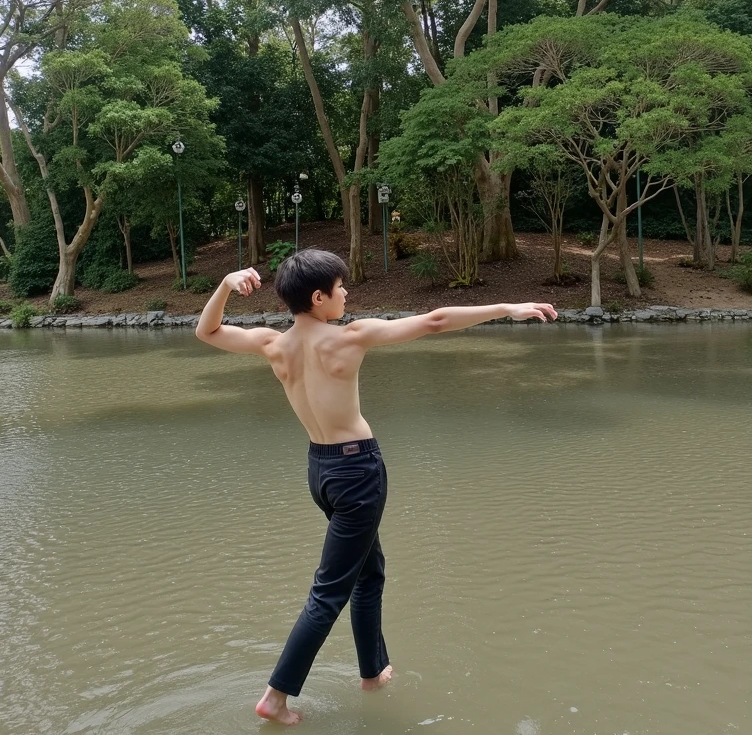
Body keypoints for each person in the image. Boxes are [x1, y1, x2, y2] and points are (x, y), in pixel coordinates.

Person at [196, 249, 557, 726]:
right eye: (341, 287)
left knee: (370, 572)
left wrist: (225, 285)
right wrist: (506, 308)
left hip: (320, 472)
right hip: (358, 472)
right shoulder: (351, 336)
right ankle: (276, 696)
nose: (347, 294)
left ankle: (372, 672)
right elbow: (434, 321)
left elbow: (208, 332)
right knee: (329, 593)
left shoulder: (272, 344)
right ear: (319, 296)